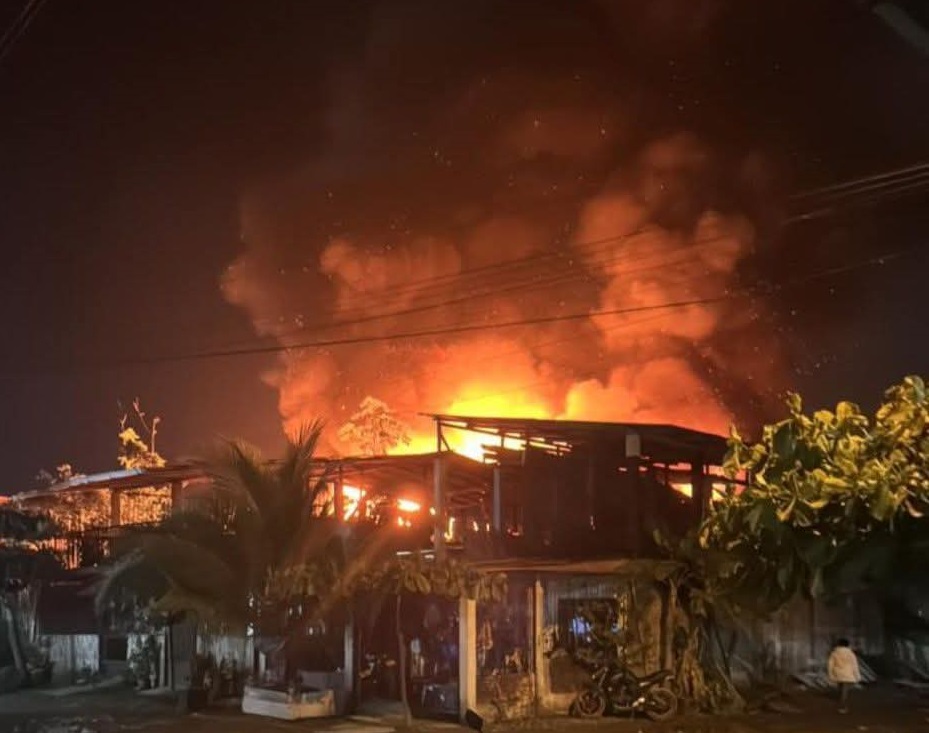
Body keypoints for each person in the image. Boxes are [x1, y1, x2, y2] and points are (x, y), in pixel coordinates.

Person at [827, 638, 861, 713]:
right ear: (848, 645)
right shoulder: (850, 654)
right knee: (845, 690)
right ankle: (842, 705)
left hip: (838, 673)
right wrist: (857, 676)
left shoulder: (834, 653)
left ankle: (841, 702)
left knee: (840, 688)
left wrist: (830, 674)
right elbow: (854, 665)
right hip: (848, 674)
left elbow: (830, 664)